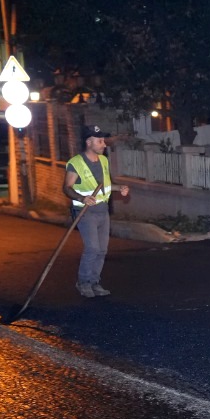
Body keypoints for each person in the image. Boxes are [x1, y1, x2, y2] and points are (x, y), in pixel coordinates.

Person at [62, 125, 130, 298]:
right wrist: (81, 198)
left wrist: (118, 187)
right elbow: (67, 188)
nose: (104, 144)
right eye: (100, 141)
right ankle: (83, 282)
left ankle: (94, 282)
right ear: (89, 141)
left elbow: (105, 185)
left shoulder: (104, 161)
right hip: (85, 212)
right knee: (92, 248)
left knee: (102, 250)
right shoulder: (75, 162)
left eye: (103, 141)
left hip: (102, 210)